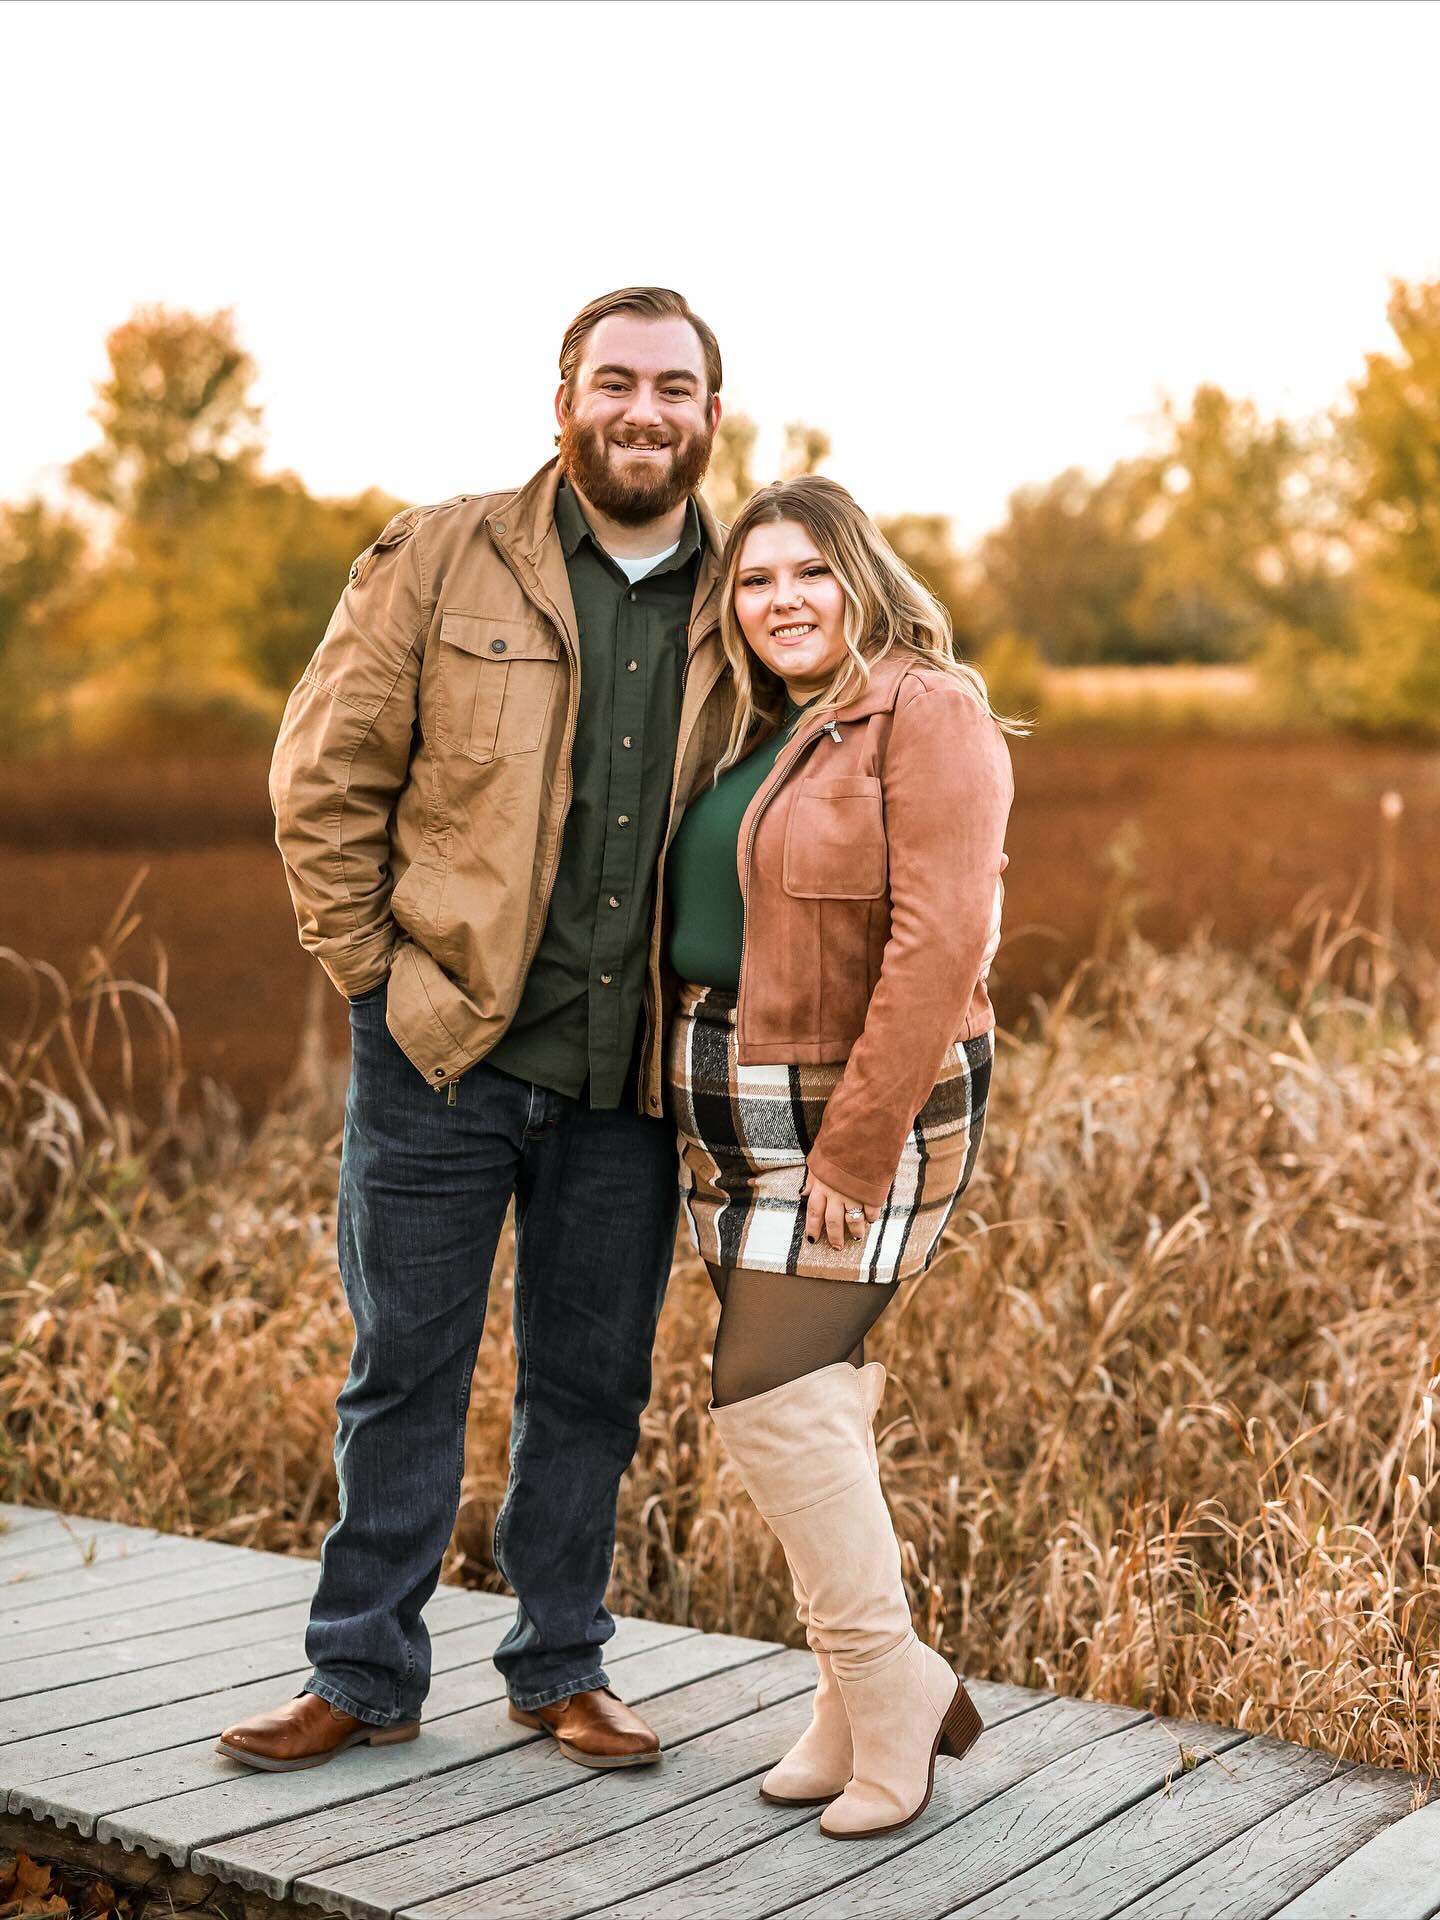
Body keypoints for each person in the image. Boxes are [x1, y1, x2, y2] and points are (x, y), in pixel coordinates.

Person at [218, 287, 734, 1773]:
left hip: (632, 1079)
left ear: (710, 411)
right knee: (403, 1372)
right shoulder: (443, 554)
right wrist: (376, 979)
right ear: (563, 398)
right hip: (441, 1057)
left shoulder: (749, 593)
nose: (645, 411)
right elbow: (323, 779)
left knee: (592, 1386)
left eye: (675, 388)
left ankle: (560, 1667)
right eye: (617, 381)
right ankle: (362, 1676)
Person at [663, 476, 1021, 1837]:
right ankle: (846, 1694)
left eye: (807, 572)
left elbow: (942, 945)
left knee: (773, 1396)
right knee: (812, 1393)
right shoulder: (765, 723)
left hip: (867, 1101)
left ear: (858, 573)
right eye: (756, 583)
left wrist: (855, 1156)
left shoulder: (925, 710)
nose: (782, 601)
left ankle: (896, 1695)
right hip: (733, 1096)